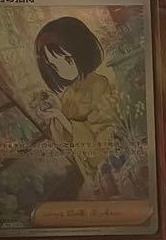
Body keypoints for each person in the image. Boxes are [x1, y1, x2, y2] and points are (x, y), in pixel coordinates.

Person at [34, 16, 118, 197]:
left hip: (107, 170)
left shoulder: (99, 84)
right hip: (87, 172)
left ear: (82, 51)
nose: (62, 70)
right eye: (54, 66)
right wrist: (55, 113)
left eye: (67, 59)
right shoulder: (69, 93)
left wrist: (61, 116)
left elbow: (101, 146)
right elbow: (65, 144)